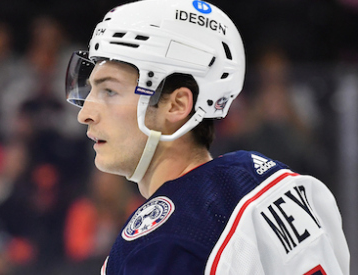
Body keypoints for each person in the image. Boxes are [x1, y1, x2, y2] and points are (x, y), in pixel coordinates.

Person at [64, 0, 350, 274]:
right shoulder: (276, 181)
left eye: (109, 91)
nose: (85, 114)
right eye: (91, 90)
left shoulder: (163, 243)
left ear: (176, 105)